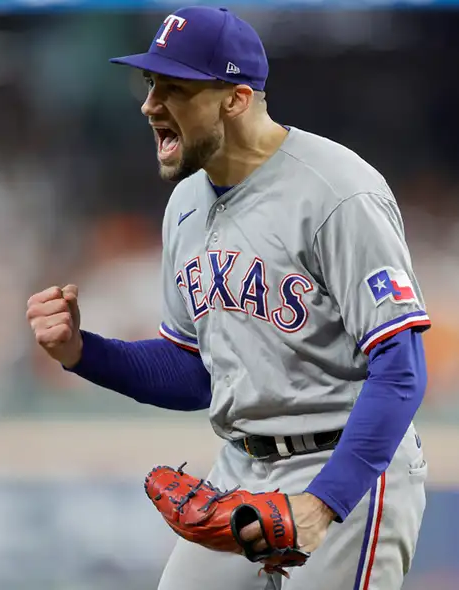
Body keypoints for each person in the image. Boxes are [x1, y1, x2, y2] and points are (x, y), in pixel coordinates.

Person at [27, 6, 429, 589]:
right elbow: (194, 371)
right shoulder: (186, 204)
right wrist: (82, 352)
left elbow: (401, 369)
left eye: (174, 88)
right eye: (149, 84)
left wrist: (325, 503)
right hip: (243, 469)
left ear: (235, 99)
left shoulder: (338, 192)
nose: (149, 105)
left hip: (348, 469)